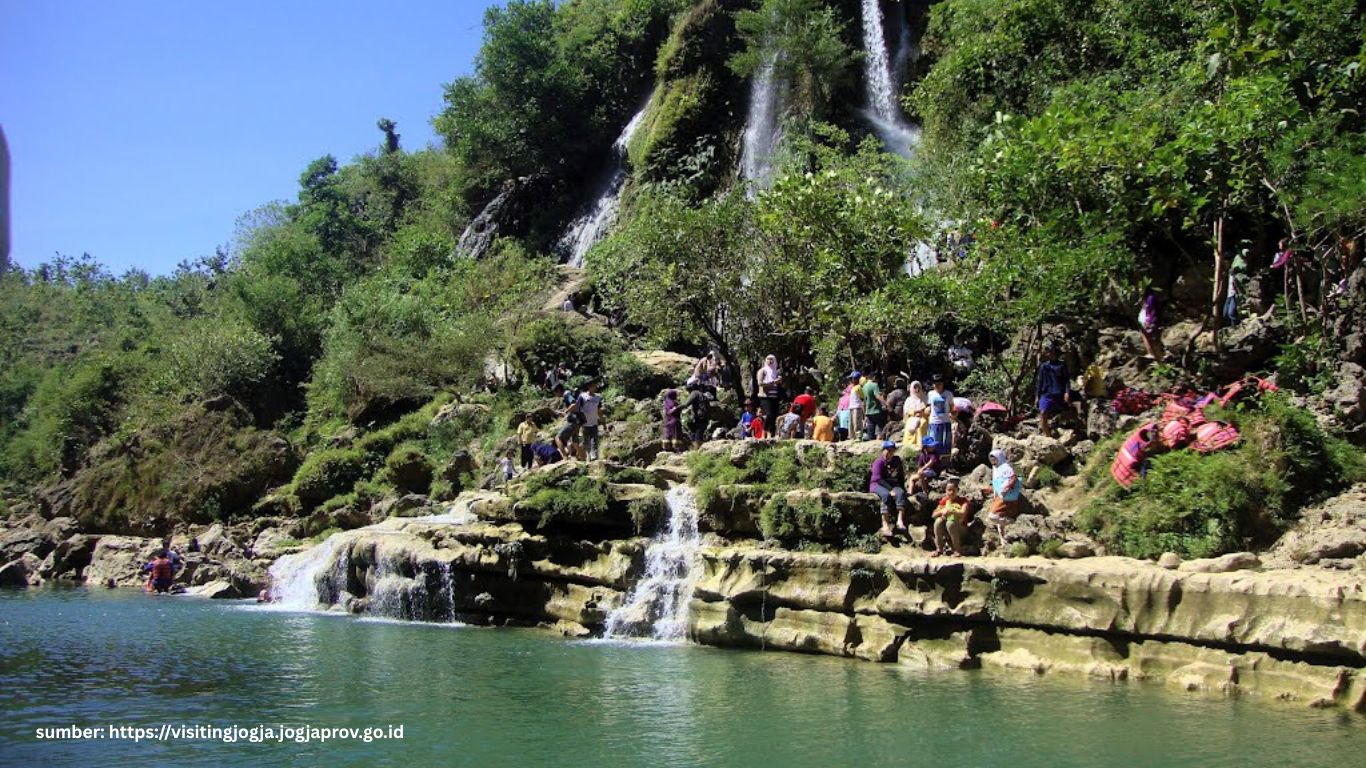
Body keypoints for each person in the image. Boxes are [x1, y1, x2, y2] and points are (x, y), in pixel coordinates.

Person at [983, 449, 1022, 548]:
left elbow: (1013, 477)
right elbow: (999, 482)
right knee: (1000, 523)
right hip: (1000, 496)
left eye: (994, 459)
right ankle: (1003, 541)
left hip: (1007, 496)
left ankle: (1012, 523)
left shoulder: (1005, 467)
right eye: (991, 459)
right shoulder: (996, 469)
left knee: (993, 516)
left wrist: (1007, 487)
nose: (993, 461)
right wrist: (992, 491)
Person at [870, 440, 909, 538]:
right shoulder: (878, 462)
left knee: (900, 493)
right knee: (886, 495)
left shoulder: (897, 460)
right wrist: (890, 490)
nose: (890, 453)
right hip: (877, 484)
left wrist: (902, 488)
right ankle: (885, 525)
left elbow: (900, 476)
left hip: (893, 483)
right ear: (883, 450)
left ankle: (900, 521)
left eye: (892, 450)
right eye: (888, 450)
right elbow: (878, 478)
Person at [1035, 341, 1070, 438]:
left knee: (1066, 412)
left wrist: (1067, 392)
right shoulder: (1044, 366)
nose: (1050, 354)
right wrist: (1037, 396)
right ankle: (1047, 435)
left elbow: (1066, 380)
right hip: (1046, 394)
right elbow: (1040, 382)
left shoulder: (1061, 365)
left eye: (1052, 351)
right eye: (1048, 352)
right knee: (1043, 413)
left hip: (1058, 393)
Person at [932, 477, 973, 556]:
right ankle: (939, 549)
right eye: (948, 490)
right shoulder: (944, 501)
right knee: (938, 522)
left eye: (953, 490)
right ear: (945, 491)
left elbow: (962, 513)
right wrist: (942, 511)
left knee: (950, 523)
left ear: (957, 490)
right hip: (948, 530)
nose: (951, 492)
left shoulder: (963, 501)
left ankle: (957, 550)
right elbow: (933, 515)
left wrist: (952, 511)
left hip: (961, 529)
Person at [566, 379, 604, 461]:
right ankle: (588, 458)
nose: (595, 387)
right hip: (585, 423)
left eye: (595, 385)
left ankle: (594, 457)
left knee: (594, 441)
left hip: (594, 423)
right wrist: (577, 420)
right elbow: (577, 408)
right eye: (594, 385)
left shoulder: (598, 397)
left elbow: (599, 410)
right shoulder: (582, 396)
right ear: (589, 387)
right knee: (586, 442)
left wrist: (603, 423)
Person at [927, 374, 956, 453]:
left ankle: (945, 460)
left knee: (945, 442)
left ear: (943, 384)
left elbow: (951, 406)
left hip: (945, 421)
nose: (937, 386)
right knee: (933, 442)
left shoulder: (948, 394)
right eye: (935, 384)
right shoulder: (930, 394)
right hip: (934, 421)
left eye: (939, 384)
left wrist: (953, 414)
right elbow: (929, 406)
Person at [683, 382, 714, 449]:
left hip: (699, 416)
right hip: (704, 416)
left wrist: (677, 408)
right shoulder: (701, 394)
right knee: (696, 431)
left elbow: (686, 403)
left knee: (698, 432)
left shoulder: (694, 393)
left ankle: (697, 448)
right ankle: (696, 447)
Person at [758, 355, 783, 436]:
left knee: (774, 415)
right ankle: (764, 432)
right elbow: (760, 383)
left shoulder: (776, 372)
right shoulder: (762, 371)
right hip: (765, 396)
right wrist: (773, 382)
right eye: (768, 359)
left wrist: (780, 380)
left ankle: (771, 433)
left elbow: (780, 383)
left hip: (775, 396)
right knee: (768, 414)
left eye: (772, 359)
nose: (770, 361)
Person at [1138, 288, 1164, 360]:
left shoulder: (1150, 298)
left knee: (1150, 337)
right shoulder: (1147, 298)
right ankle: (1155, 354)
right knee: (1150, 337)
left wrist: (1148, 322)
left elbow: (1152, 311)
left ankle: (1153, 354)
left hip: (1151, 322)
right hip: (1150, 321)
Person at [902, 380, 929, 448]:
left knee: (921, 424)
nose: (917, 389)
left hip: (923, 418)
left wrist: (922, 412)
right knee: (910, 425)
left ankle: (921, 445)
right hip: (911, 418)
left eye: (918, 387)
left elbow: (928, 409)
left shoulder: (925, 398)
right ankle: (909, 445)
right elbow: (906, 411)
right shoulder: (909, 400)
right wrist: (914, 412)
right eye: (915, 387)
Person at [862, 372, 888, 440]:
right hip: (876, 410)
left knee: (870, 431)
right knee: (880, 429)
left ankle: (870, 443)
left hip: (868, 412)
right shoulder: (874, 385)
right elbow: (877, 396)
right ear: (874, 378)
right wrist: (886, 404)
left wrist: (864, 413)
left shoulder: (864, 386)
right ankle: (880, 443)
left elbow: (864, 401)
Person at [846, 372, 866, 440]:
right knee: (851, 424)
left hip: (857, 407)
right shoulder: (853, 387)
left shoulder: (858, 387)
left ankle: (858, 437)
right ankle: (852, 437)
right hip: (851, 407)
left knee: (857, 423)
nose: (851, 380)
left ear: (857, 379)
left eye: (852, 378)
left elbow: (863, 398)